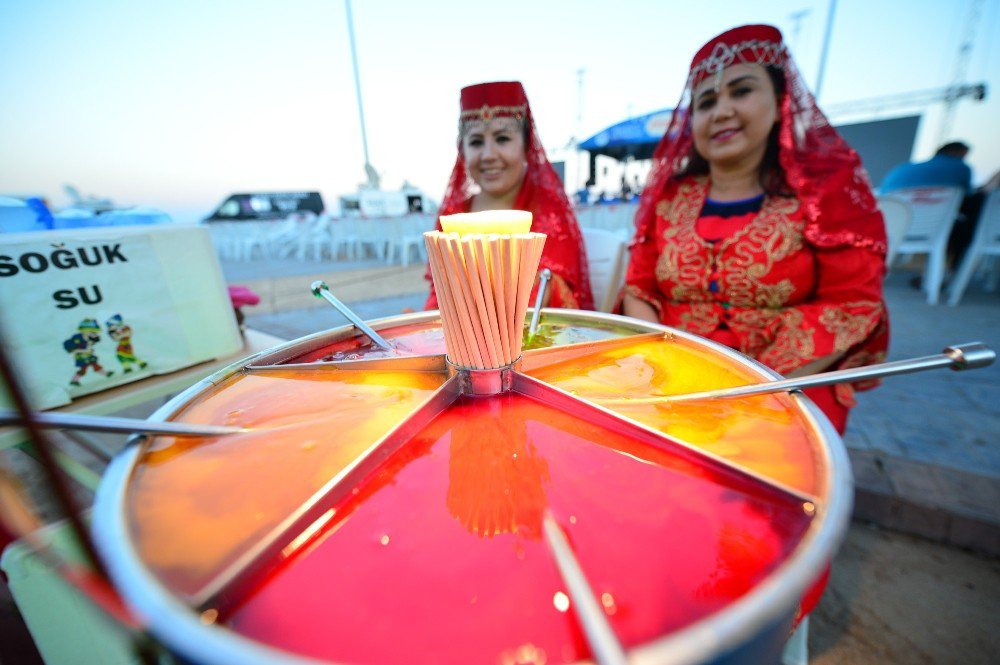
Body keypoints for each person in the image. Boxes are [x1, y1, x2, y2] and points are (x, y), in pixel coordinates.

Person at [622, 24, 889, 436]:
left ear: (780, 100)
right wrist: (663, 366)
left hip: (786, 379)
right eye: (706, 101)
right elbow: (639, 287)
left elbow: (852, 303)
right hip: (672, 373)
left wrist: (756, 385)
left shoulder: (826, 192)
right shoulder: (671, 198)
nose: (722, 111)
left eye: (741, 91)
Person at [424, 81, 593, 310]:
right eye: (475, 142)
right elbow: (439, 293)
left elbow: (547, 293)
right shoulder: (454, 216)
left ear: (526, 145)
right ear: (461, 149)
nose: (488, 155)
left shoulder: (550, 214)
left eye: (502, 138)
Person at [881, 142, 972, 193]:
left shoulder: (902, 168)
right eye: (963, 155)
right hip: (935, 221)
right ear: (953, 152)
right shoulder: (960, 167)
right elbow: (967, 195)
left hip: (895, 220)